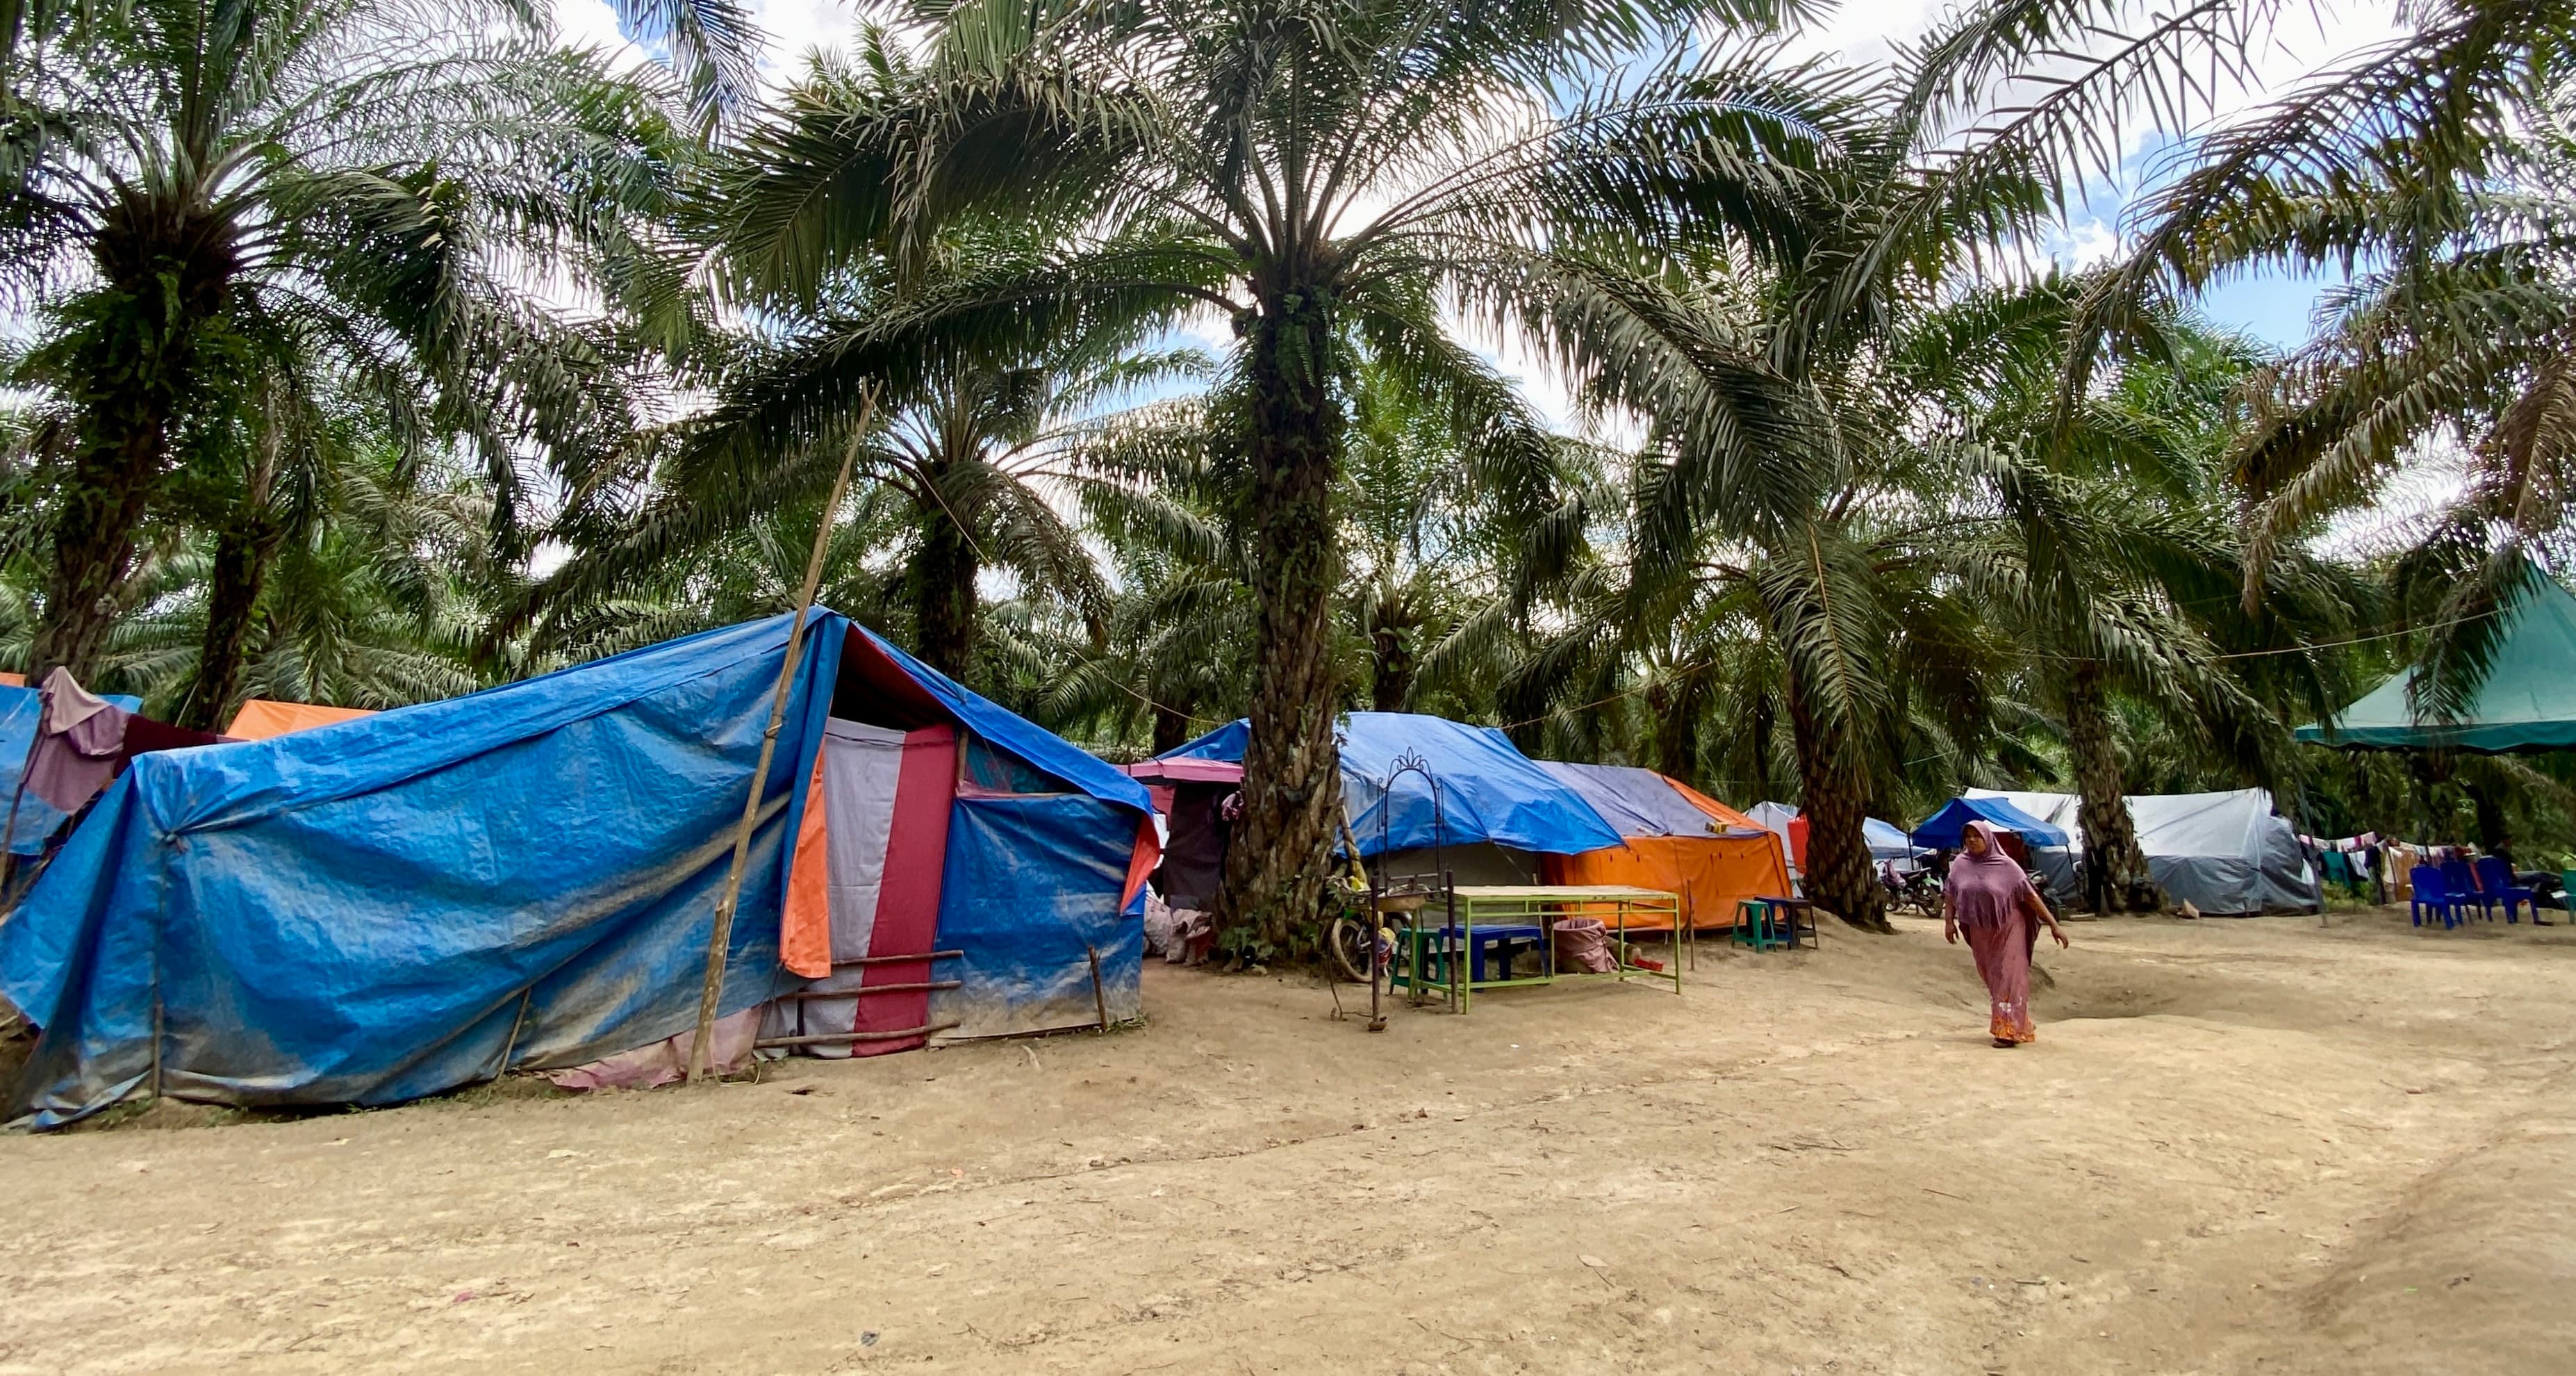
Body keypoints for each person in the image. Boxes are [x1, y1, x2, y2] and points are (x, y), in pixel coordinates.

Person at [1942, 820, 2067, 1047]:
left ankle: (2007, 1031)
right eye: (1968, 836)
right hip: (1981, 932)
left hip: (2010, 929)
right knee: (1992, 978)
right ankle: (2020, 1021)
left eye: (1977, 836)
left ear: (1988, 839)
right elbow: (1950, 892)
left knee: (2009, 977)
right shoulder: (1960, 864)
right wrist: (1949, 922)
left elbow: (2031, 897)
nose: (1972, 840)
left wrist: (2054, 925)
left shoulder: (2007, 866)